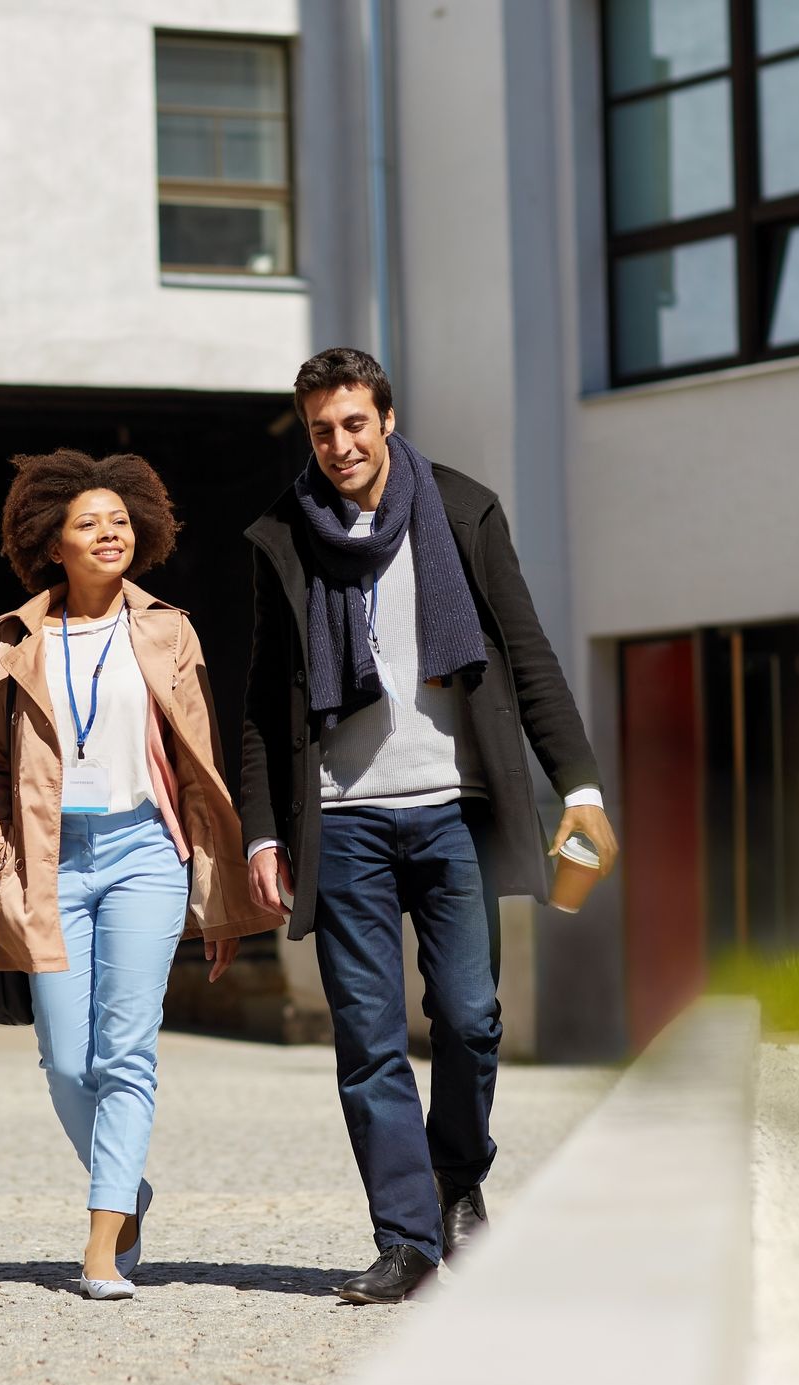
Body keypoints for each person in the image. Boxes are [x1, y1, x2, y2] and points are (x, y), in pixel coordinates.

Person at [238, 347, 620, 1304]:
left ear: (388, 419)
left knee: (469, 1015)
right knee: (368, 1036)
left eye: (354, 423)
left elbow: (526, 652)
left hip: (451, 808)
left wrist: (579, 786)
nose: (339, 445)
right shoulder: (282, 536)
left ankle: (459, 1178)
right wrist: (261, 831)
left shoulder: (460, 510)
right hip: (342, 820)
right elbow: (256, 705)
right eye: (322, 430)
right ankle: (405, 1236)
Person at [0, 450, 282, 1300]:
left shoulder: (168, 629)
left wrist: (217, 900)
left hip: (146, 848)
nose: (110, 532)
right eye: (87, 523)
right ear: (52, 544)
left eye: (119, 520)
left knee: (127, 1050)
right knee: (67, 1059)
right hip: (50, 860)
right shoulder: (13, 637)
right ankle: (128, 1187)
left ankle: (102, 1238)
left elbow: (200, 764)